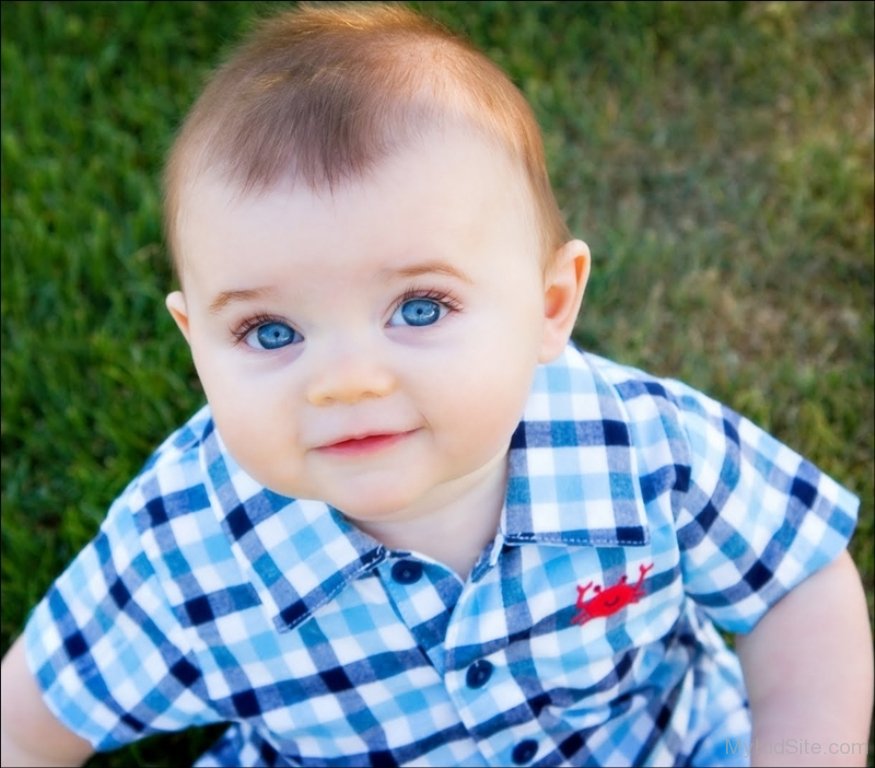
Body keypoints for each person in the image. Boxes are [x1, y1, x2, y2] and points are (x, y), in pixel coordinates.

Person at [1, 3, 871, 766]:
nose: (344, 380)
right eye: (270, 332)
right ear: (196, 344)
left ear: (548, 305)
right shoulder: (183, 545)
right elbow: (25, 731)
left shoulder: (643, 448)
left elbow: (795, 584)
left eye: (418, 308)